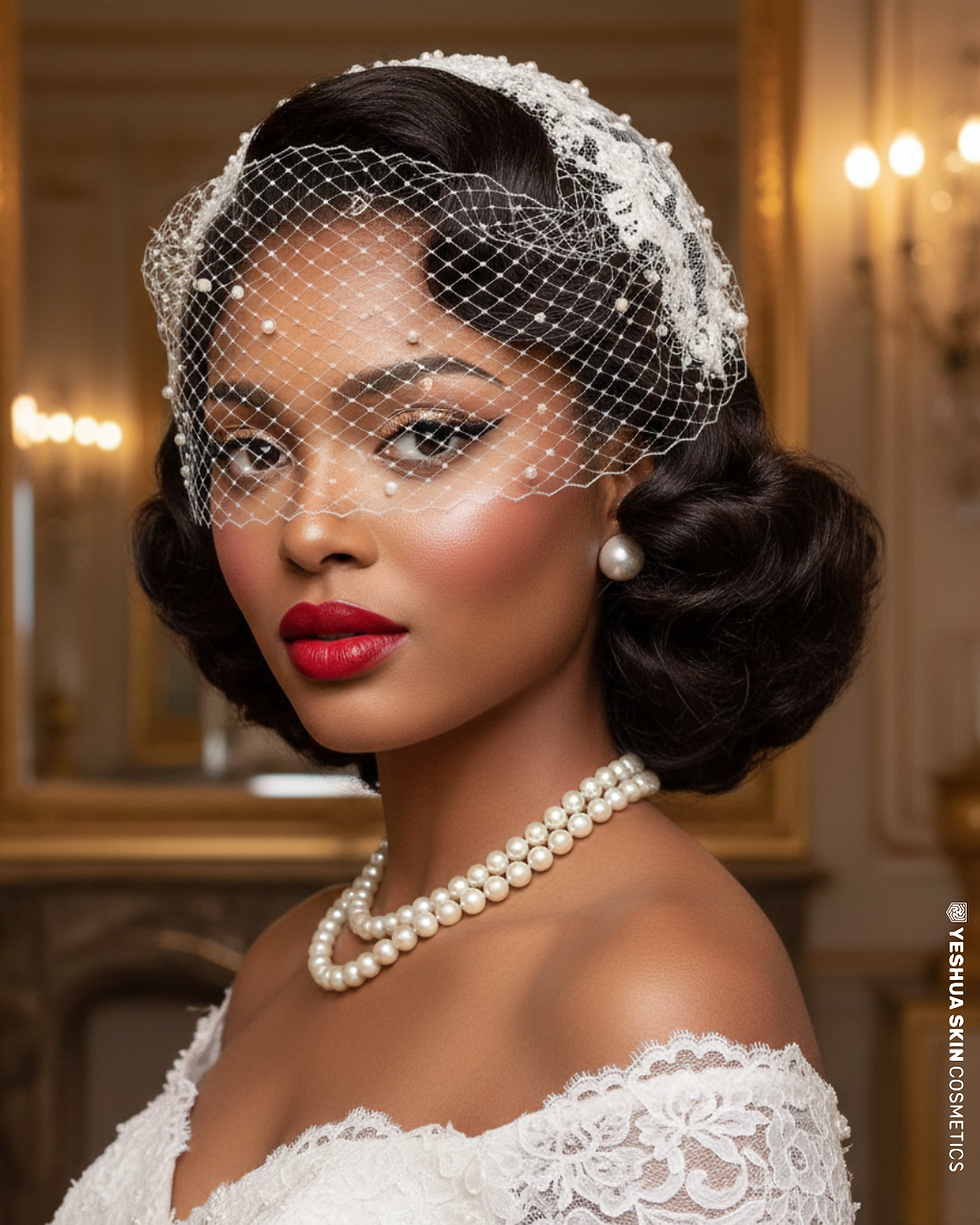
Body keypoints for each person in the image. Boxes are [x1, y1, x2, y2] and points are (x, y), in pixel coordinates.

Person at [52, 53, 878, 1224]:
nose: (310, 528)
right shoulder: (293, 957)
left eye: (426, 433)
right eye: (249, 449)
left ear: (623, 469)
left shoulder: (654, 988)